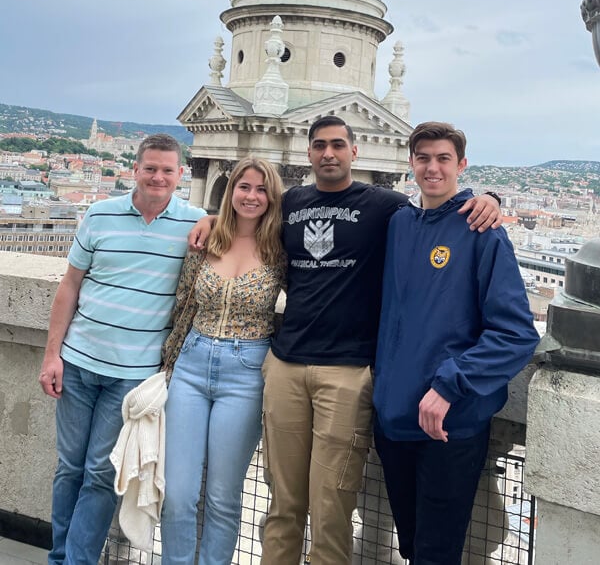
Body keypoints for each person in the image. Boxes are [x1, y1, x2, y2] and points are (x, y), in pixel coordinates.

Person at [190, 115, 501, 565]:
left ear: (355, 152)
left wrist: (490, 198)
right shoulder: (291, 202)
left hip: (347, 372)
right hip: (286, 365)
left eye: (338, 144)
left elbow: (439, 208)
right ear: (308, 153)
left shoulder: (386, 206)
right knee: (282, 504)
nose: (328, 153)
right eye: (319, 145)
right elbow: (247, 216)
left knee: (333, 506)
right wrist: (209, 216)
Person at [373, 122, 539, 565]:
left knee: (435, 553)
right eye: (423, 158)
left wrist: (451, 385)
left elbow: (517, 333)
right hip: (393, 418)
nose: (432, 167)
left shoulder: (482, 231)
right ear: (410, 165)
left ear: (461, 166)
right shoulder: (399, 225)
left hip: (450, 424)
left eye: (443, 159)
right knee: (410, 545)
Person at [39, 134, 206, 565]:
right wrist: (51, 354)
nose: (158, 176)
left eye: (168, 170)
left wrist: (214, 219)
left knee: (99, 473)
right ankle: (60, 556)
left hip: (133, 375)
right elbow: (69, 287)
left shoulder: (194, 223)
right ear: (135, 169)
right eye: (150, 168)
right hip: (77, 362)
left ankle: (75, 561)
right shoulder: (98, 215)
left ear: (180, 175)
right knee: (69, 469)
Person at [160, 157, 286, 565]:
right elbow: (182, 306)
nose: (252, 196)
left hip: (246, 373)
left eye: (261, 189)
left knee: (222, 497)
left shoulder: (281, 248)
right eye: (244, 187)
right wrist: (168, 363)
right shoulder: (206, 239)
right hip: (192, 366)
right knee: (178, 493)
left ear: (273, 197)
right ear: (230, 191)